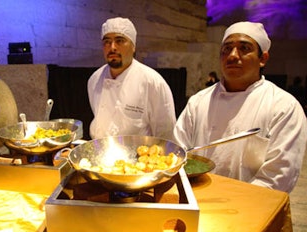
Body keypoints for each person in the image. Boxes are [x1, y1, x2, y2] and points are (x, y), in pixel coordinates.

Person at [173, 21, 307, 193]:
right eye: (226, 49)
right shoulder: (198, 101)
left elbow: (278, 176)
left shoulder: (283, 106)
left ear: (263, 59)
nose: (233, 55)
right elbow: (179, 154)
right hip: (197, 199)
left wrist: (234, 203)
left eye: (244, 48)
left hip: (252, 209)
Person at [87, 17, 176, 140]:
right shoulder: (94, 80)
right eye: (107, 42)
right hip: (99, 154)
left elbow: (166, 136)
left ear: (133, 46)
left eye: (119, 40)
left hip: (139, 157)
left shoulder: (153, 82)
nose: (112, 47)